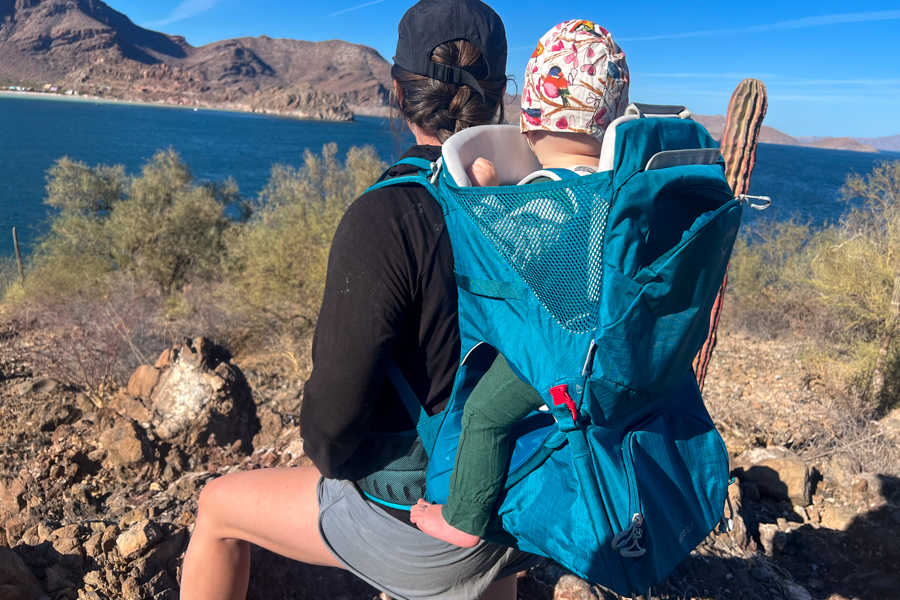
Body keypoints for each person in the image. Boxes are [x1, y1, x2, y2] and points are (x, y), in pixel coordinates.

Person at [179, 2, 544, 599]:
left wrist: (331, 452)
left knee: (217, 508)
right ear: (499, 92)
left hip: (426, 525)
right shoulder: (546, 203)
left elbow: (333, 432)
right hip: (524, 506)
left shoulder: (387, 216)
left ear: (398, 93)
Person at [409, 20, 630, 549]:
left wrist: (486, 193)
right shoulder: (613, 186)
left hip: (557, 348)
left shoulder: (548, 195)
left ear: (530, 126)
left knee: (486, 414)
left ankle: (462, 519)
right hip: (607, 338)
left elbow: (509, 256)